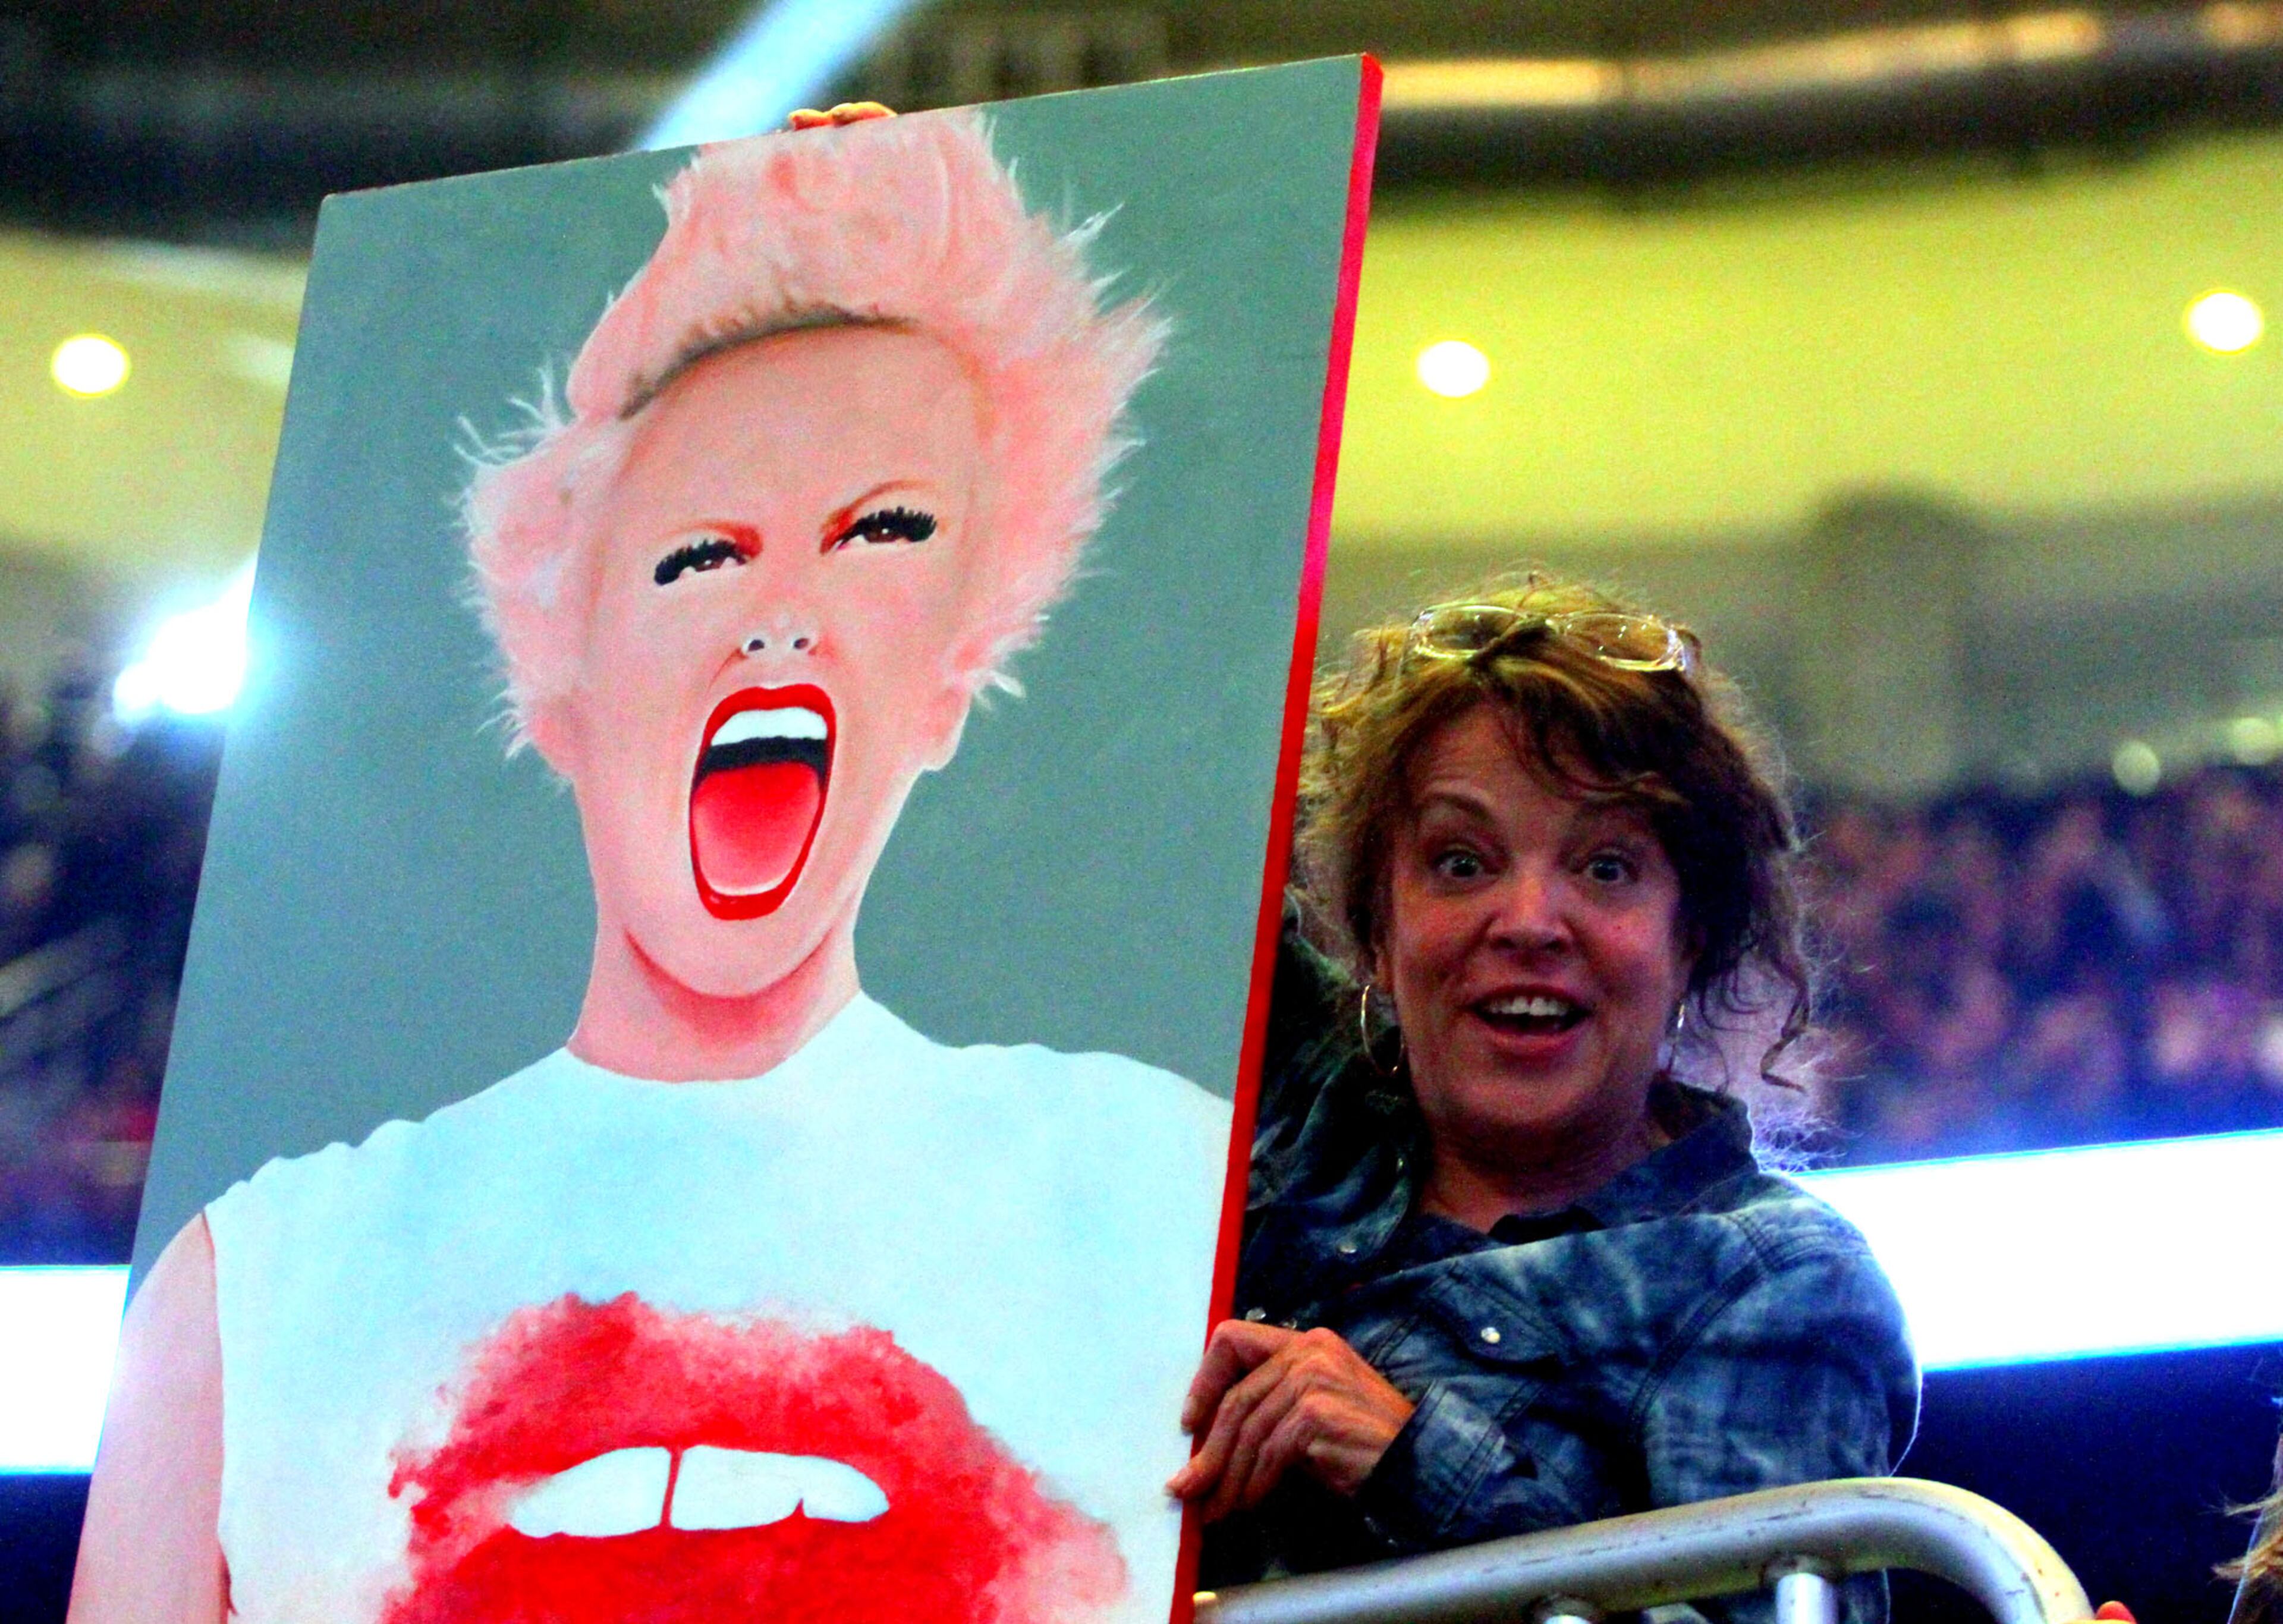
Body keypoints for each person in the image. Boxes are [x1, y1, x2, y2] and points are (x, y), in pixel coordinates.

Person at [71, 108, 1230, 1624]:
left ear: (956, 674)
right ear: (560, 675)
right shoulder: (258, 1280)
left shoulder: (1155, 1182)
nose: (782, 613)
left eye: (882, 531)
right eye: (702, 554)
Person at [1171, 577, 1919, 1619]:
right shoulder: (1299, 1099)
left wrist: (1412, 1461)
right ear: (1378, 929)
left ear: (1692, 937)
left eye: (1606, 867)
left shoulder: (1767, 1280)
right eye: (1460, 862)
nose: (1529, 921)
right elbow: (1115, 811)